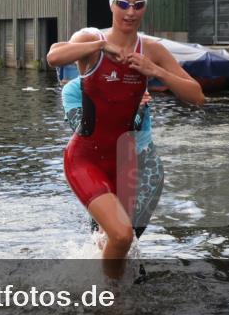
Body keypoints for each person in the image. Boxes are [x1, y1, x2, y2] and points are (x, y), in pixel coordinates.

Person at [47, 0, 203, 278]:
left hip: (126, 163)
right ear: (111, 4)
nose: (130, 12)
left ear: (145, 8)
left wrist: (154, 70)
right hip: (85, 159)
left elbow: (197, 95)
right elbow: (54, 56)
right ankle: (110, 299)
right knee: (121, 236)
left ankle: (108, 298)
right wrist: (102, 47)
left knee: (116, 240)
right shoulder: (91, 40)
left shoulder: (152, 49)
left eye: (138, 5)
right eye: (123, 4)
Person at [61, 78, 164, 238]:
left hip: (141, 166)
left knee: (126, 237)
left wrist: (138, 106)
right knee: (101, 238)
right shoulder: (73, 90)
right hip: (100, 170)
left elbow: (130, 131)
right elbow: (85, 131)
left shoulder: (131, 84)